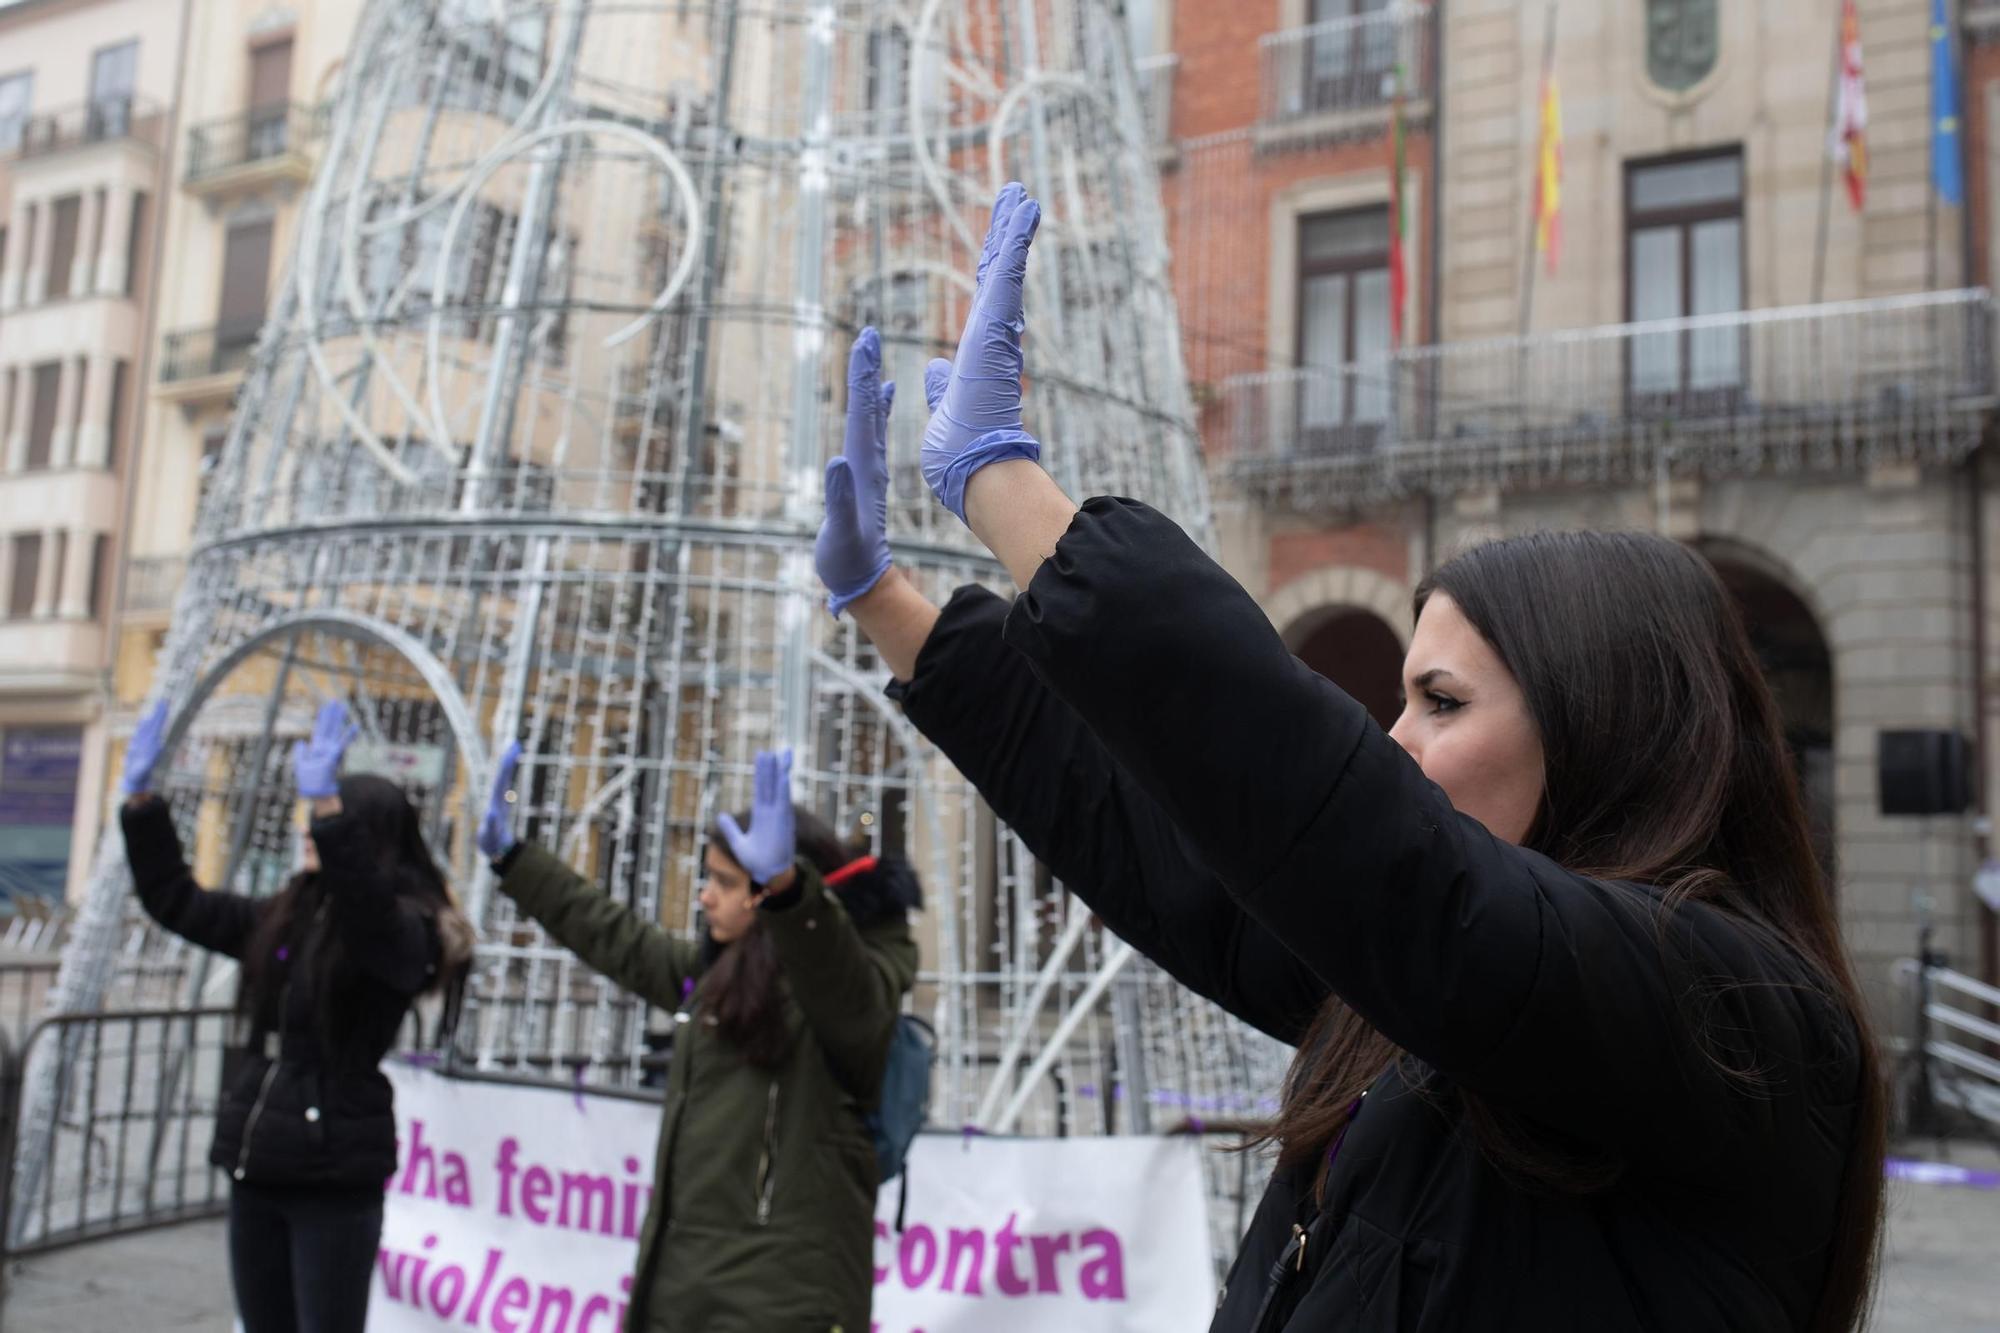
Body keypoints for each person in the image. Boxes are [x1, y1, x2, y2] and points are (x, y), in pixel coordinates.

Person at [813, 184, 1888, 1332]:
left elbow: (1387, 861)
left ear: (1601, 726)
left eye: (1439, 700)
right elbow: (1177, 864)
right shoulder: (1415, 993)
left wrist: (1005, 485)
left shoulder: (1726, 1011)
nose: (1394, 741)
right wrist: (896, 612)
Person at [476, 743, 920, 1332]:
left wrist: (789, 891)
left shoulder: (839, 999)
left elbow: (843, 987)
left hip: (784, 1303)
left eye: (727, 881)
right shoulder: (719, 977)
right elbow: (619, 940)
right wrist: (516, 861)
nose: (706, 896)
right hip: (689, 1290)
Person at [118, 698, 473, 1333]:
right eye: (311, 816)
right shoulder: (289, 912)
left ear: (369, 840)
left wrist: (335, 822)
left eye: (329, 819)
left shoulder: (405, 930)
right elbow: (179, 902)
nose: (309, 829)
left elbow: (374, 922)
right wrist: (144, 809)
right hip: (259, 1164)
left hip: (332, 1176)